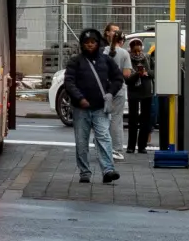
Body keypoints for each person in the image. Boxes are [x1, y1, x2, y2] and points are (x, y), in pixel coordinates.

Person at [63, 27, 123, 184]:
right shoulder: (75, 61)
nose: (90, 45)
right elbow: (69, 82)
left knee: (104, 138)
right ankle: (84, 171)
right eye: (87, 42)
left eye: (93, 42)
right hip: (80, 109)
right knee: (81, 141)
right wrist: (79, 98)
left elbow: (118, 78)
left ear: (98, 43)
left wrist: (110, 93)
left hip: (100, 108)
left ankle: (108, 170)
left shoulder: (106, 61)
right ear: (82, 44)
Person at [102, 24, 128, 161]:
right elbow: (127, 73)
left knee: (104, 118)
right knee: (117, 120)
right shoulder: (124, 53)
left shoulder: (104, 52)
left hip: (105, 89)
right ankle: (116, 149)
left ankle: (102, 145)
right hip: (118, 89)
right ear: (122, 41)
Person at [123, 37, 154, 153]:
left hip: (146, 91)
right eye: (135, 51)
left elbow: (154, 73)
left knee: (145, 119)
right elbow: (127, 79)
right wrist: (137, 74)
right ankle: (131, 146)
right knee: (133, 120)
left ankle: (142, 146)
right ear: (130, 50)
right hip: (134, 92)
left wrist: (146, 73)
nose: (137, 53)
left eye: (139, 50)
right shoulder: (128, 59)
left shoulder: (147, 57)